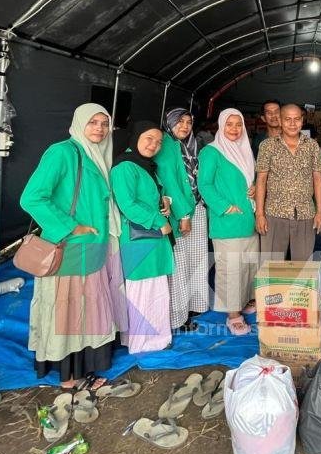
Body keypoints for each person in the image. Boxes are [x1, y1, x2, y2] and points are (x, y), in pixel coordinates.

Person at [20, 103, 126, 389]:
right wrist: (70, 226)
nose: (100, 129)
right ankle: (68, 377)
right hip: (70, 248)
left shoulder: (99, 156)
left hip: (94, 248)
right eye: (93, 123)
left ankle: (87, 369)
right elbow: (32, 198)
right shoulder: (63, 152)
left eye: (104, 124)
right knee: (68, 311)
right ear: (79, 123)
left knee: (89, 309)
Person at [110, 121, 175, 353]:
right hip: (139, 240)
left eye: (158, 142)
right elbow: (127, 204)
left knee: (153, 291)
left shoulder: (144, 165)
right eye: (149, 138)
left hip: (151, 239)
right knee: (143, 293)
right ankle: (144, 343)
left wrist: (165, 202)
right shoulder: (125, 166)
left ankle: (151, 339)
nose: (154, 145)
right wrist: (160, 222)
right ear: (136, 137)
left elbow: (150, 196)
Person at [198, 108, 259, 335]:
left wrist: (253, 190)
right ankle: (233, 315)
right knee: (231, 269)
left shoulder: (245, 150)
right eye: (229, 124)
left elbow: (246, 180)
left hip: (248, 219)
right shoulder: (211, 152)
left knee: (248, 266)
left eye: (238, 124)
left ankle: (243, 302)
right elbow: (205, 185)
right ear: (221, 126)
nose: (234, 129)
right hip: (227, 221)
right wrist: (225, 206)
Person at [158, 108, 210, 331]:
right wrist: (183, 215)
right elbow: (169, 181)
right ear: (169, 123)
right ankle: (178, 316)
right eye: (179, 122)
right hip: (181, 212)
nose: (185, 126)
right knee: (179, 263)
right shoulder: (165, 146)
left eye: (188, 122)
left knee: (196, 259)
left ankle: (193, 305)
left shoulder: (192, 146)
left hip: (197, 207)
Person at [255, 104, 321, 262]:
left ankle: (299, 288)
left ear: (302, 121)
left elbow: (317, 179)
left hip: (305, 215)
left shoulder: (312, 146)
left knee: (302, 268)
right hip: (274, 214)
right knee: (271, 268)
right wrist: (259, 214)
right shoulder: (267, 146)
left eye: (297, 119)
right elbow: (261, 180)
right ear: (280, 120)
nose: (293, 124)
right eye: (288, 119)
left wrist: (320, 212)